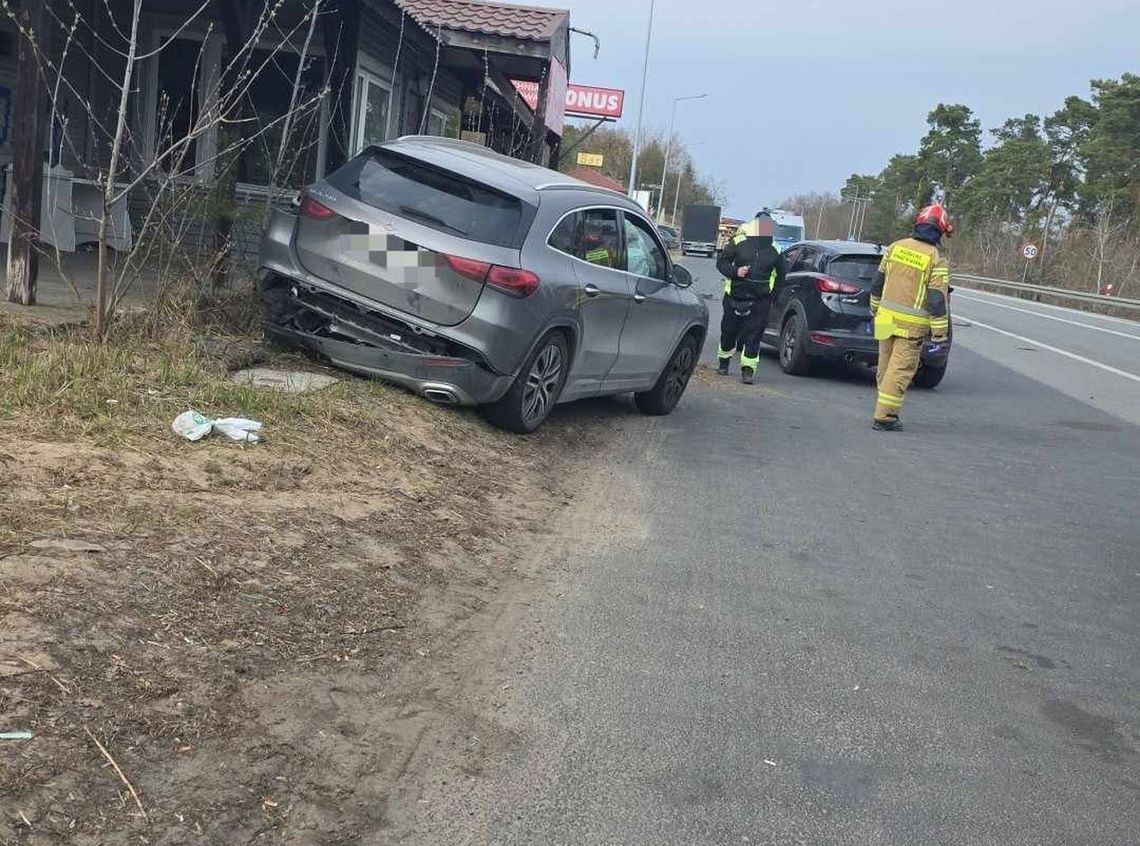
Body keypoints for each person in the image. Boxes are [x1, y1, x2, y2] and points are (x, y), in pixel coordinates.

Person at [869, 203, 953, 431]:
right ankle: (885, 417)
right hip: (911, 326)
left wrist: (874, 309)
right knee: (900, 370)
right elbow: (936, 299)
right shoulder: (935, 258)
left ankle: (883, 407)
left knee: (885, 367)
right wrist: (939, 335)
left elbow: (877, 283)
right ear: (940, 231)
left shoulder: (895, 247)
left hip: (884, 319)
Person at [715, 212, 787, 384]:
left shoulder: (775, 249)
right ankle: (723, 363)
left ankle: (748, 370)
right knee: (729, 332)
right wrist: (735, 272)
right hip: (735, 295)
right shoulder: (739, 242)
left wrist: (774, 298)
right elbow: (722, 262)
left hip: (760, 300)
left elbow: (781, 277)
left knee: (754, 336)